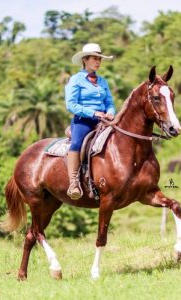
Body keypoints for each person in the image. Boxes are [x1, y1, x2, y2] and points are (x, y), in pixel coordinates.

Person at [65, 43, 116, 200]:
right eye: (95, 58)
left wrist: (110, 112)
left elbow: (110, 102)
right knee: (77, 143)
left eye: (99, 59)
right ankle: (73, 183)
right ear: (85, 60)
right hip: (83, 120)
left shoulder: (103, 81)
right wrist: (93, 113)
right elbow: (71, 104)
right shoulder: (76, 80)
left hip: (103, 120)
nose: (98, 62)